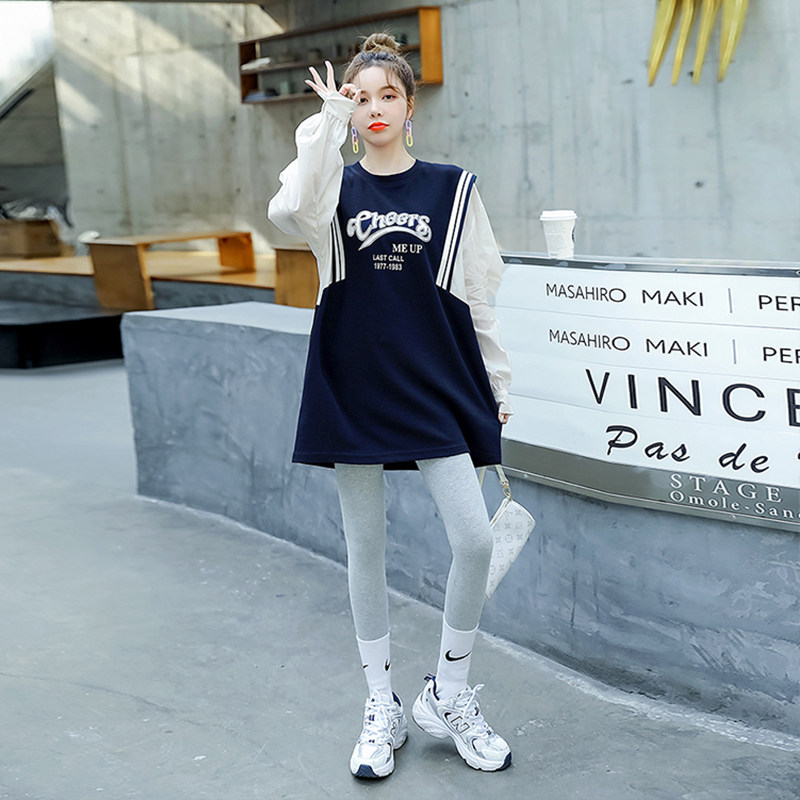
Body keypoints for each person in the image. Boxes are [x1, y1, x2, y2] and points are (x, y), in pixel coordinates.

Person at [268, 33, 513, 779]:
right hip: (353, 383)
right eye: (361, 97)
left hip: (436, 382)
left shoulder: (454, 189)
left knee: (475, 538)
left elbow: (479, 294)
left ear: (410, 108)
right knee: (365, 546)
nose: (374, 108)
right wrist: (326, 122)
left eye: (388, 96)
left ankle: (450, 691)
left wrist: (497, 384)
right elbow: (288, 209)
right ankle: (381, 704)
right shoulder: (330, 189)